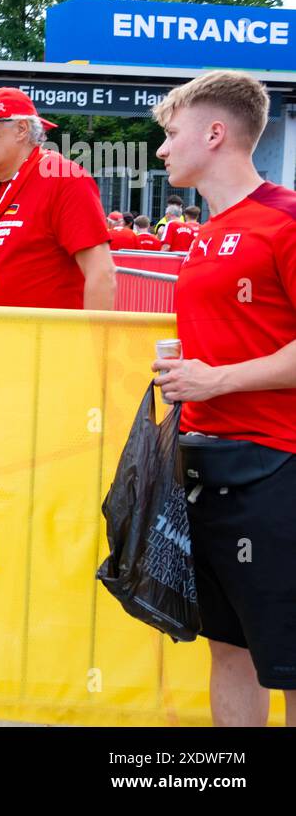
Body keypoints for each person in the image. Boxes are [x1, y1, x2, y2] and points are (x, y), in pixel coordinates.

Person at [151, 69, 296, 727]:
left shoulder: (284, 220)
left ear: (215, 134)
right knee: (230, 649)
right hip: (206, 466)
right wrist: (184, 364)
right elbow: (241, 337)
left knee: (288, 658)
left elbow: (235, 365)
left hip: (278, 469)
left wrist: (219, 379)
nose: (161, 149)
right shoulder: (204, 233)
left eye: (171, 134)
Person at [0, 87, 115, 310]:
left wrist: (93, 343)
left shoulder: (65, 178)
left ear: (21, 129)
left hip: (46, 341)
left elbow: (101, 273)